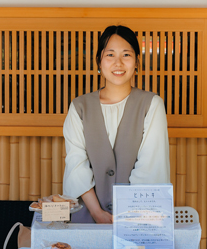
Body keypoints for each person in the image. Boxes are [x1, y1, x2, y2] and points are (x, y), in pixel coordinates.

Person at [62, 25, 170, 223]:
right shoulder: (79, 107)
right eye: (110, 55)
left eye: (126, 55)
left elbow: (151, 168)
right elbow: (76, 165)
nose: (118, 63)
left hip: (136, 219)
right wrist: (98, 213)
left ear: (137, 62)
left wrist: (125, 218)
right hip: (87, 216)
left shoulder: (151, 104)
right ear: (99, 62)